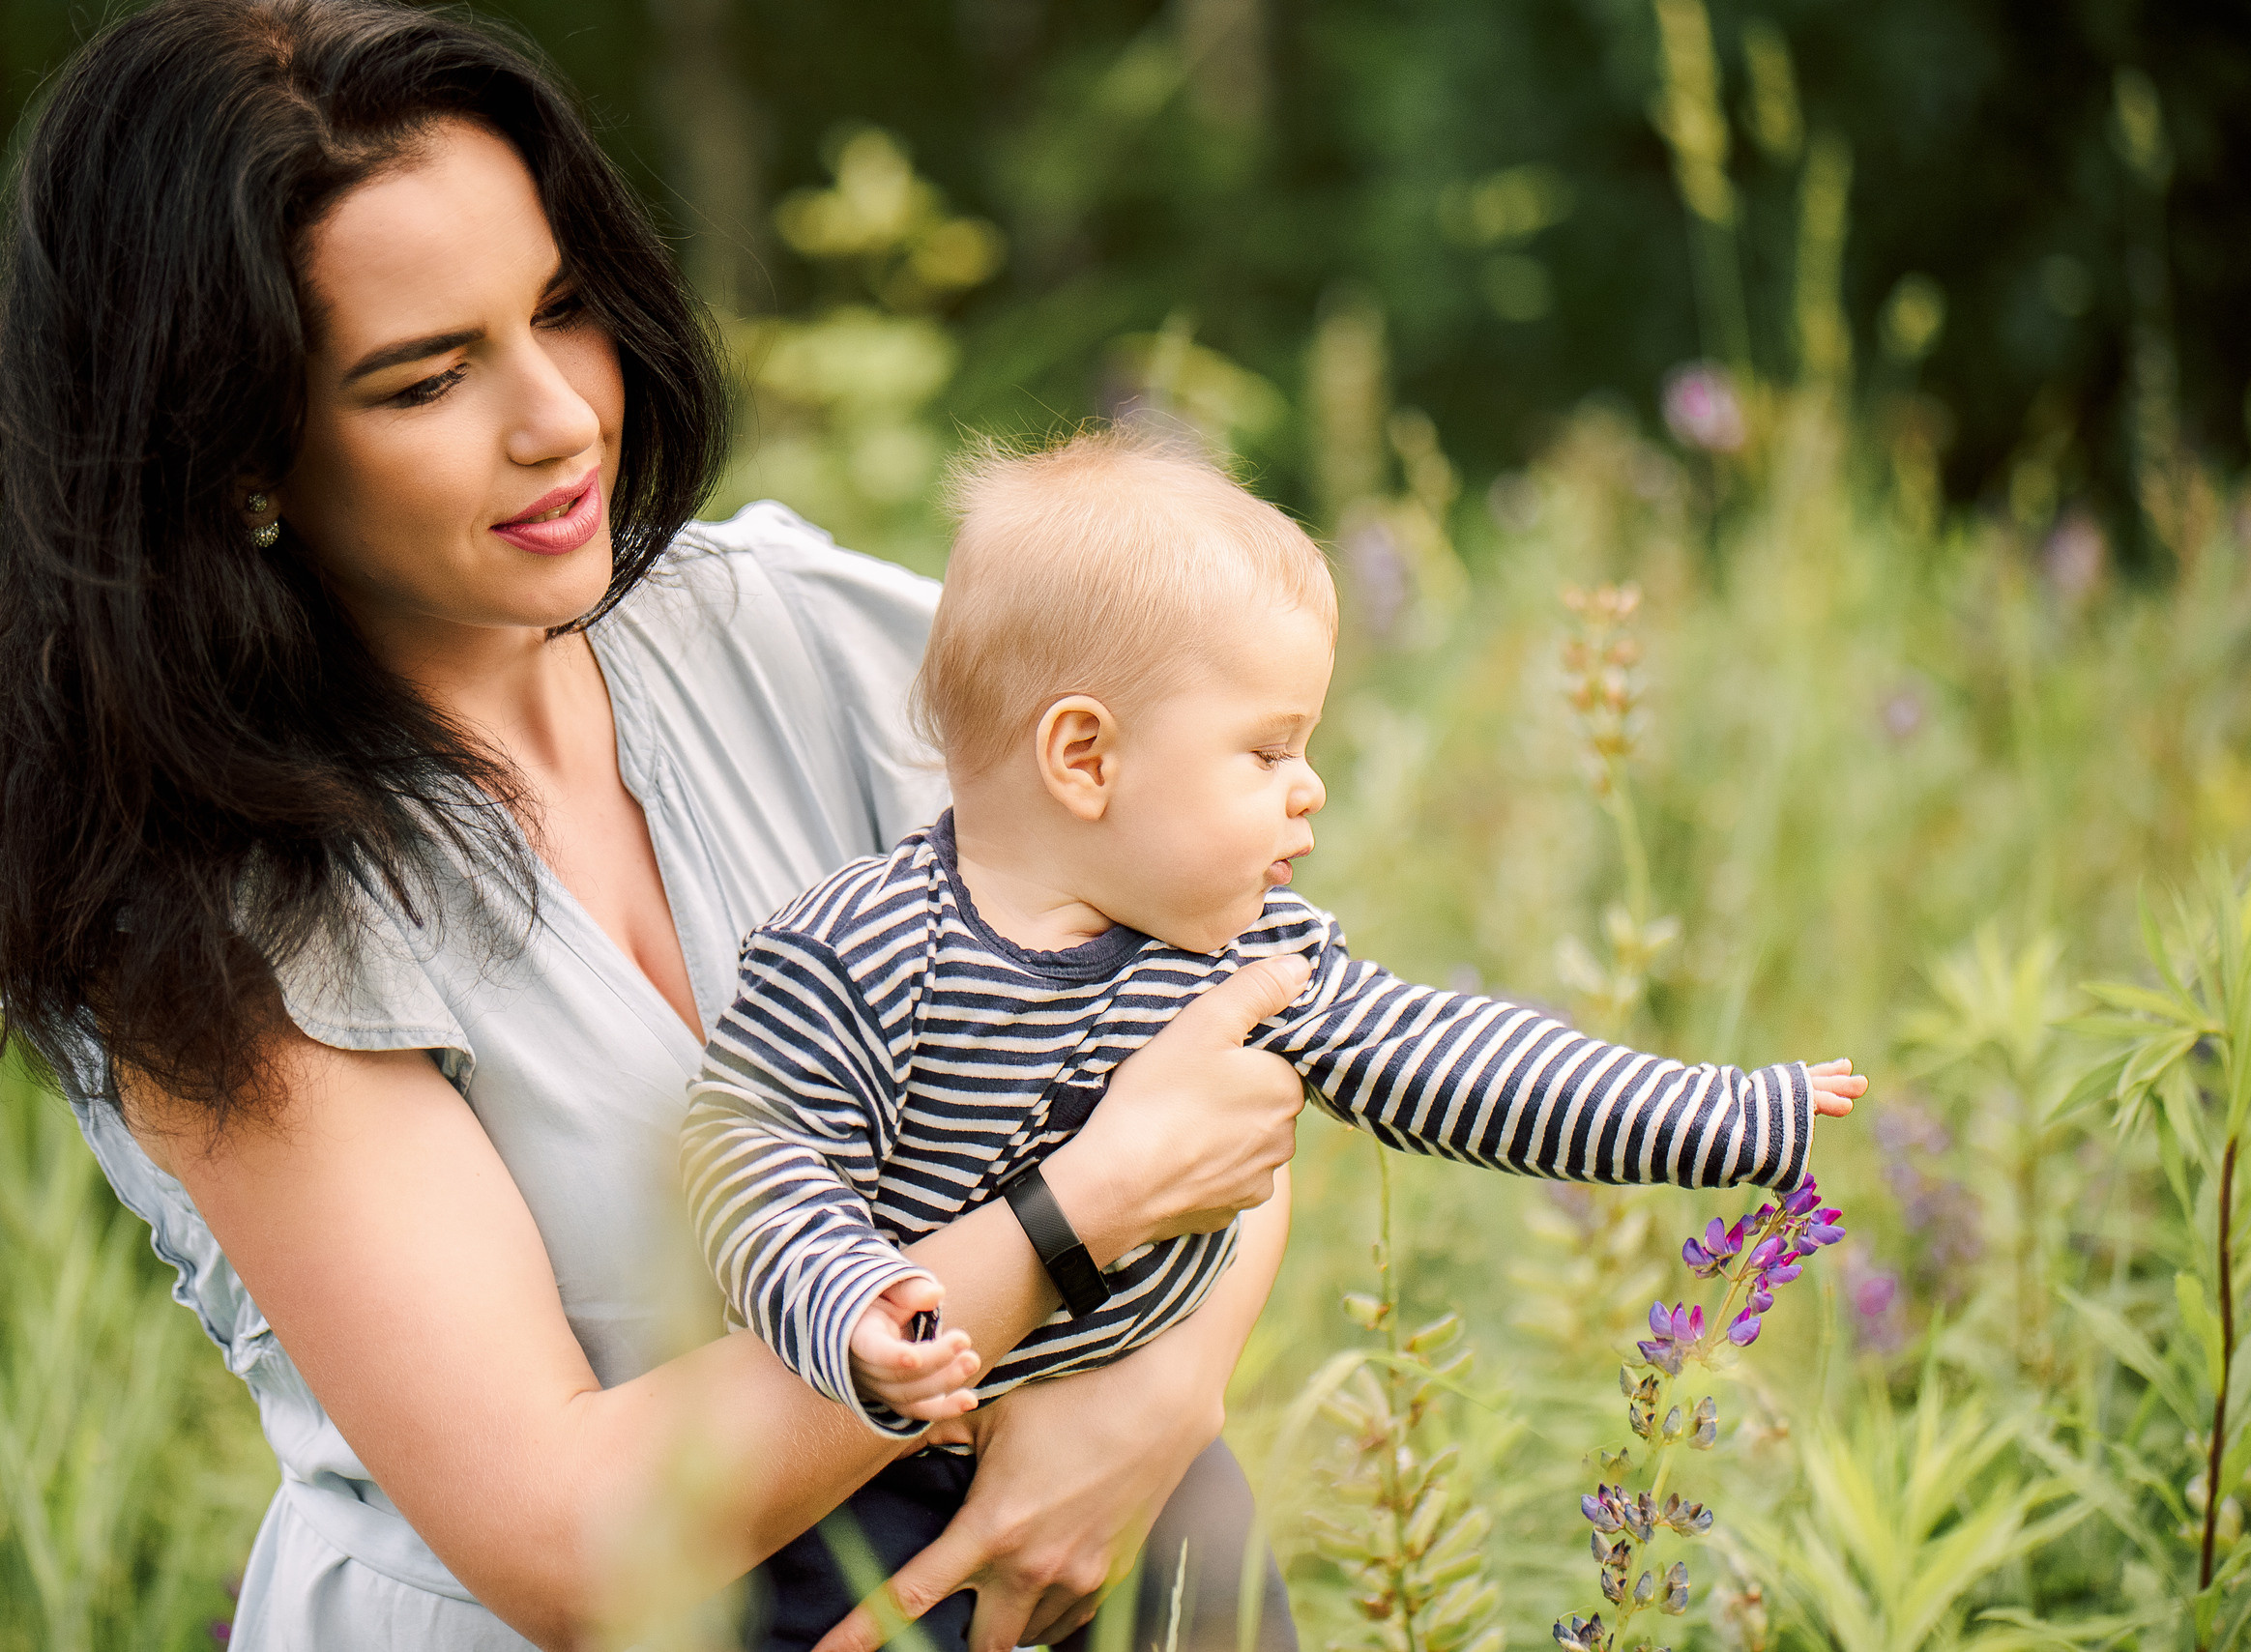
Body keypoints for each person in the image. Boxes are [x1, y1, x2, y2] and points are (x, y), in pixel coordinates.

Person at [0, 4, 1318, 1648]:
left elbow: (1234, 1000)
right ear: (232, 452)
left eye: (562, 307)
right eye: (428, 376)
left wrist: (1157, 1387)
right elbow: (572, 1536)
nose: (559, 416)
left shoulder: (803, 630)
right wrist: (1064, 1226)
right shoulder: (214, 917)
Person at [682, 430, 1869, 1652]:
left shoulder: (1244, 953)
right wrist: (852, 1302)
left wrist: (1723, 1113)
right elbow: (748, 1152)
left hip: (1140, 1460)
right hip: (866, 1495)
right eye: (1266, 748)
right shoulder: (862, 949)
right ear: (1083, 757)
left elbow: (1459, 1060)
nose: (1309, 789)